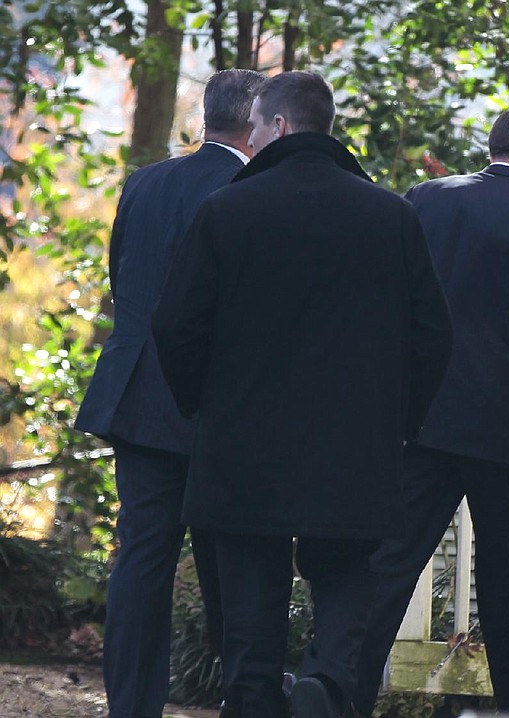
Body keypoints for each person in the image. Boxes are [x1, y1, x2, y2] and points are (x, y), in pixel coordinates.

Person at [151, 70, 453, 718]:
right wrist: (397, 422)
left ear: (280, 127)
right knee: (346, 578)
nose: (250, 142)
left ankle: (257, 695)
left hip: (243, 446)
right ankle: (327, 684)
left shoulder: (226, 211)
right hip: (354, 449)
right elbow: (433, 338)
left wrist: (202, 405)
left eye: (255, 128)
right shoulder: (391, 216)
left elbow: (175, 326)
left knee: (249, 605)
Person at [353, 102, 509, 715]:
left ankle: (343, 688)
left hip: (426, 416)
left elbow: (398, 298)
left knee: (392, 562)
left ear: (492, 146)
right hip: (501, 424)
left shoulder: (428, 197)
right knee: (504, 578)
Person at [74, 68, 266, 718]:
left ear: (208, 117)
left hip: (140, 398)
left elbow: (121, 279)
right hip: (218, 407)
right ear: (259, 122)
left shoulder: (146, 182)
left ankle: (130, 707)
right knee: (233, 566)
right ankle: (246, 697)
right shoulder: (256, 190)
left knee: (142, 556)